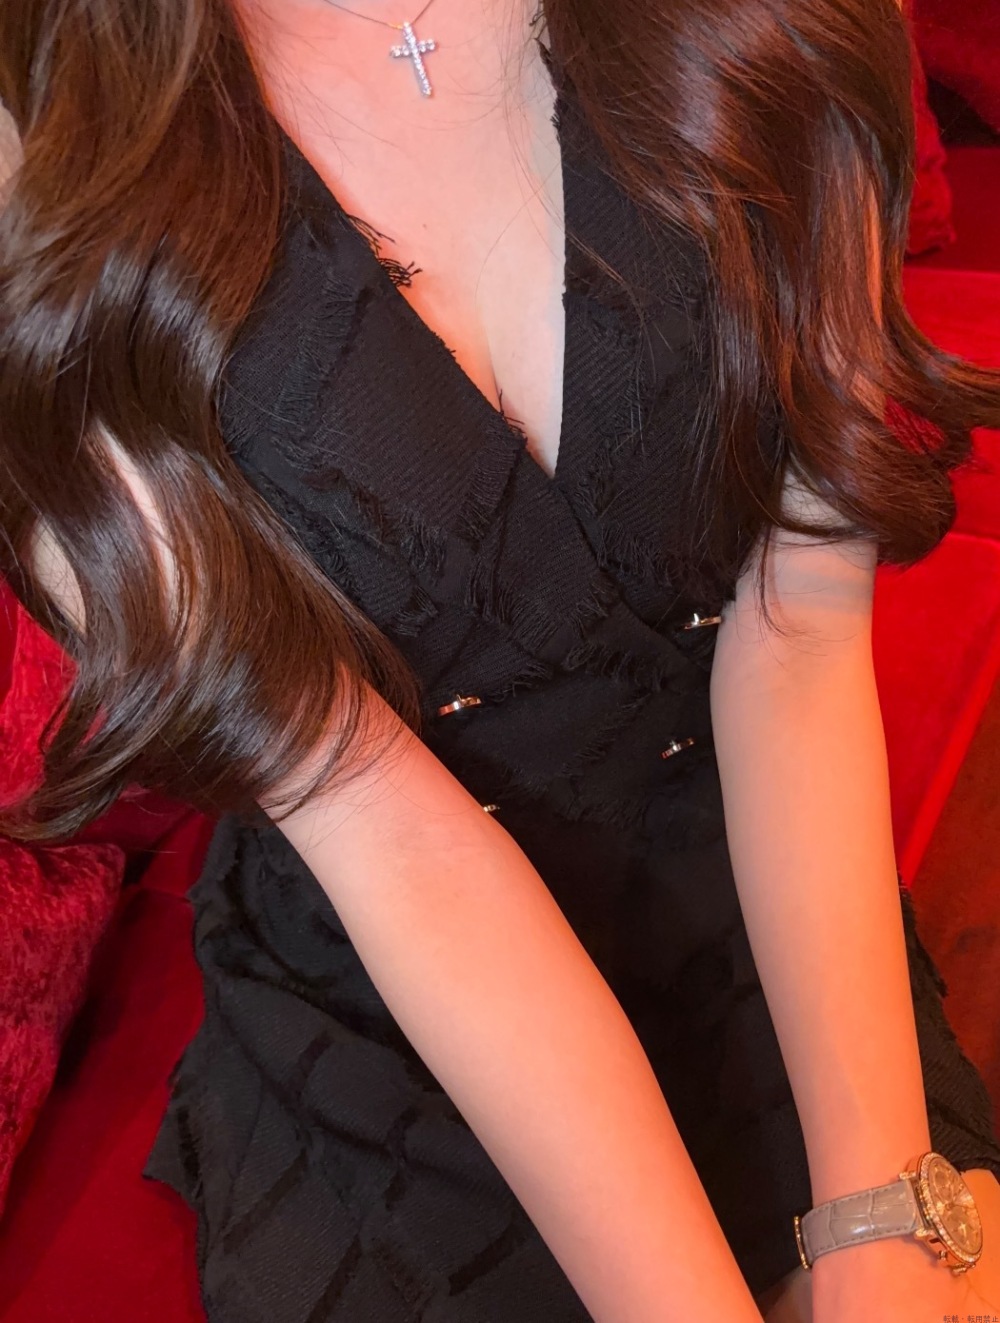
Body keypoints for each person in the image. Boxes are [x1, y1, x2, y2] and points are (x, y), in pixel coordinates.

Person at [2, 0, 1000, 1319]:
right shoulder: (57, 122)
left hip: (770, 912)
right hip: (405, 1000)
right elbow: (374, 817)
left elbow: (799, 629)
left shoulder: (766, 23)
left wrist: (879, 1210)